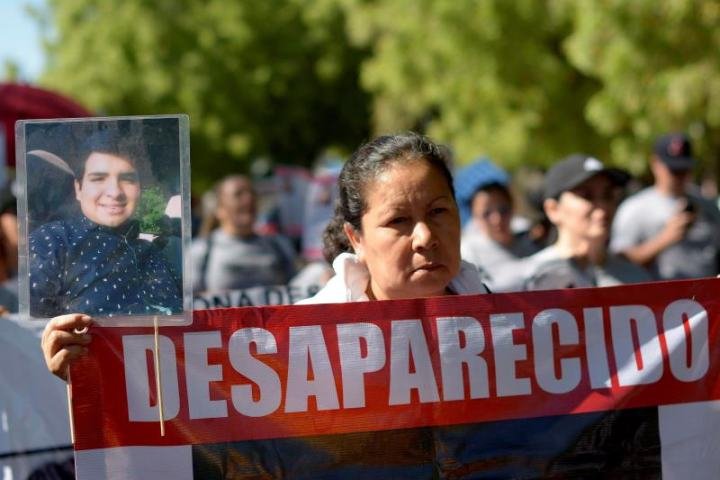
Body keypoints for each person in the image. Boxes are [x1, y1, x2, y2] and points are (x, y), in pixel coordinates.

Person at [28, 130, 182, 318]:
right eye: (98, 179)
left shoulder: (155, 250)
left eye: (127, 179)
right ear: (78, 188)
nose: (115, 192)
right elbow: (31, 332)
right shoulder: (52, 241)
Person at [524, 154, 652, 290]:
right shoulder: (530, 278)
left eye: (607, 195)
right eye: (587, 196)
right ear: (553, 209)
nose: (602, 207)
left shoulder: (636, 279)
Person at [611, 132, 720, 280]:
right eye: (673, 171)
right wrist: (665, 239)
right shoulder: (635, 208)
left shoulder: (705, 203)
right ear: (655, 164)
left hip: (706, 298)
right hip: (659, 300)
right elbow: (618, 262)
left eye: (684, 170)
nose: (679, 177)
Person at [190, 175, 297, 294]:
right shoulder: (200, 250)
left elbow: (294, 290)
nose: (248, 199)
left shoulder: (278, 245)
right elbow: (190, 300)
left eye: (252, 193)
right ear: (220, 209)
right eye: (238, 194)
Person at [460, 181, 539, 291]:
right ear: (475, 217)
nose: (497, 220)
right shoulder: (468, 254)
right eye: (486, 213)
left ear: (513, 208)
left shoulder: (533, 243)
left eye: (503, 210)